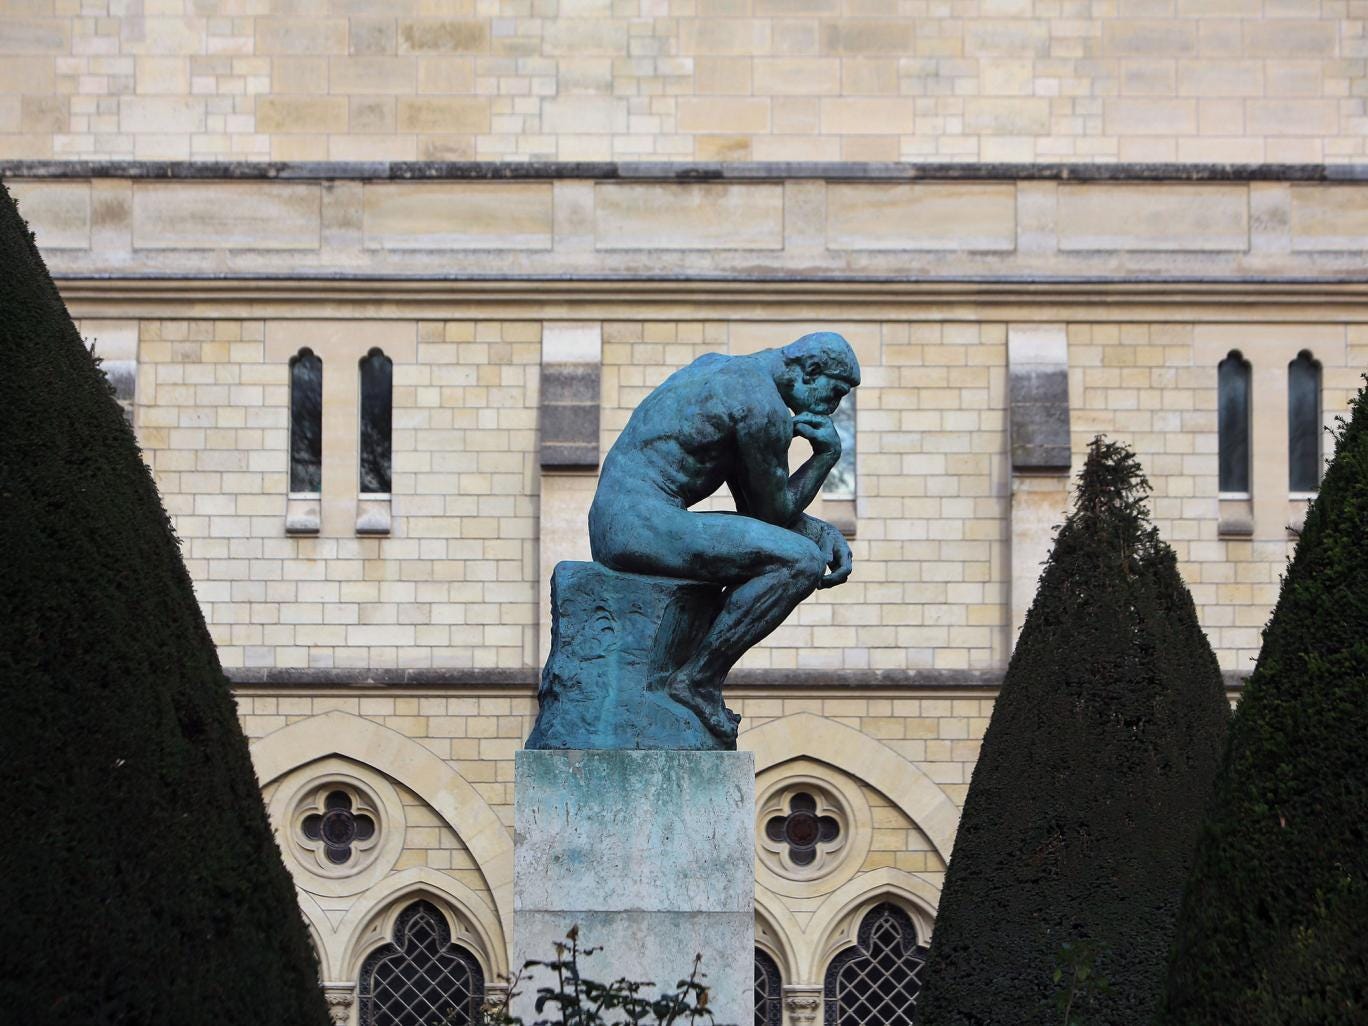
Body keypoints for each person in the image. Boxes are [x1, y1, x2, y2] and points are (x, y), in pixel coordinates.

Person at [588, 331, 860, 739]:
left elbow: (756, 508)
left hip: (625, 518)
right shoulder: (761, 406)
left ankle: (691, 674)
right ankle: (697, 680)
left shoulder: (721, 368)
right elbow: (771, 513)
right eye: (835, 392)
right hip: (639, 525)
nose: (833, 408)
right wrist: (827, 456)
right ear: (811, 371)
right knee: (799, 563)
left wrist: (820, 529)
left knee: (793, 550)